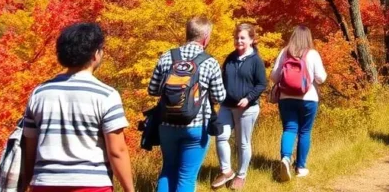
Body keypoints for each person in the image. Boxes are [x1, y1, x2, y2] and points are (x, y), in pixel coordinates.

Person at [20, 22, 134, 192]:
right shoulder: (106, 95)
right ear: (96, 54)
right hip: (92, 184)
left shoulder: (39, 93)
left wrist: (24, 184)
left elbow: (29, 149)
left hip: (44, 183)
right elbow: (117, 151)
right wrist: (129, 189)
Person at [148, 16, 227, 192]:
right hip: (196, 127)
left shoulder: (167, 57)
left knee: (168, 170)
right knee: (186, 176)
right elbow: (219, 96)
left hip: (166, 125)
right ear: (206, 38)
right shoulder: (210, 62)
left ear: (187, 33)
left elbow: (152, 90)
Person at [212, 23, 267, 190]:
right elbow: (221, 79)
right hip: (226, 106)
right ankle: (227, 171)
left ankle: (241, 175)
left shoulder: (256, 60)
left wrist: (248, 98)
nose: (239, 41)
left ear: (251, 40)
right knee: (221, 137)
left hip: (247, 109)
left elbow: (261, 84)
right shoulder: (230, 58)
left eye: (242, 38)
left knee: (242, 143)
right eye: (236, 37)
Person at [269, 25, 327, 182]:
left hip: (286, 98)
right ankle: (301, 167)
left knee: (289, 128)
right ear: (308, 38)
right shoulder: (313, 54)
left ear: (293, 36)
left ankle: (286, 159)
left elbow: (274, 77)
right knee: (304, 131)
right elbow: (321, 78)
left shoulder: (284, 52)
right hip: (308, 98)